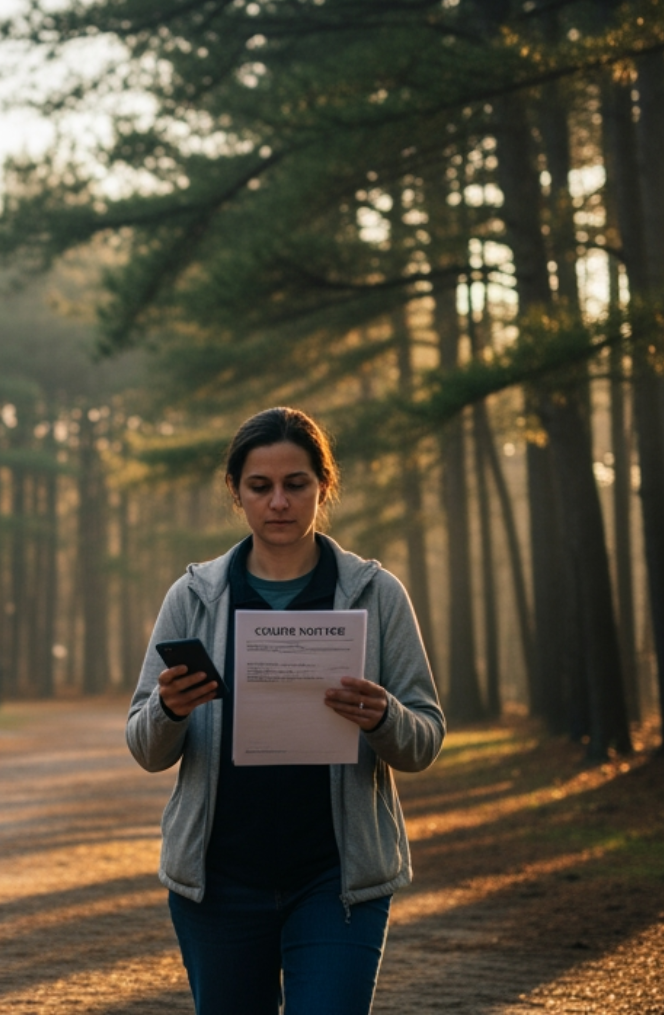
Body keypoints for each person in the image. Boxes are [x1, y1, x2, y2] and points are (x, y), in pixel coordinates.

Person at [127, 406, 444, 1014]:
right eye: (260, 486)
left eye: (295, 484)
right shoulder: (193, 597)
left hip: (338, 881)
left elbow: (425, 740)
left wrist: (384, 717)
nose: (278, 502)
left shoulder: (376, 595)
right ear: (236, 493)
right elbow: (145, 749)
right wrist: (168, 710)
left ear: (323, 487)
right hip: (217, 884)